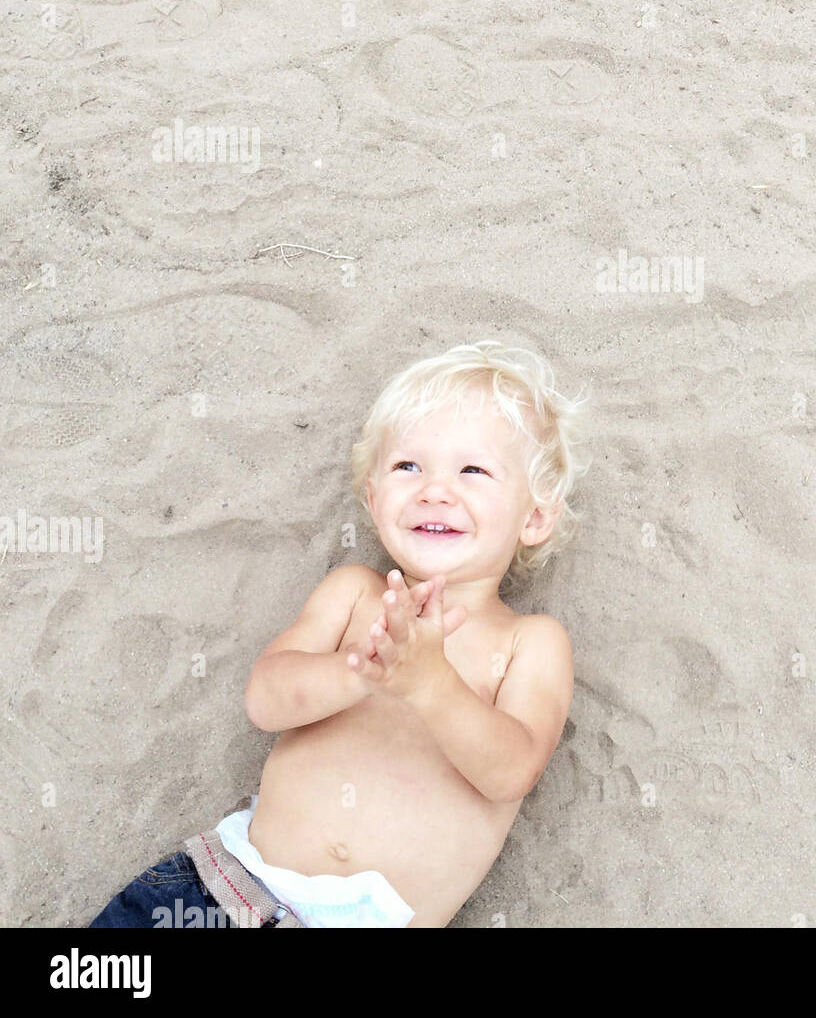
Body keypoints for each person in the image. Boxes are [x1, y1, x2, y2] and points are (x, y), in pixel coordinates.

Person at [90, 340, 587, 927]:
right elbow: (267, 700)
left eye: (472, 470)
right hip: (227, 893)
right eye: (409, 466)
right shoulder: (355, 593)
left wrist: (431, 685)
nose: (435, 489)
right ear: (375, 500)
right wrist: (362, 668)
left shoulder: (528, 641)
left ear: (534, 517)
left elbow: (510, 772)